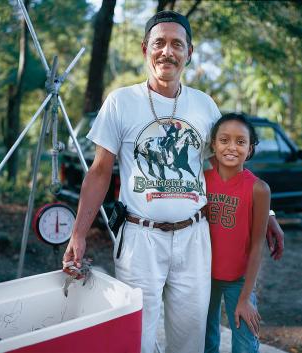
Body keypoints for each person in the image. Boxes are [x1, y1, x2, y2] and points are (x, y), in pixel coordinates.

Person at [63, 10, 284, 353]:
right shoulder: (121, 102)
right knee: (137, 337)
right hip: (140, 238)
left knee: (190, 341)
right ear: (144, 49)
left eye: (176, 44)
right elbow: (100, 171)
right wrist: (78, 232)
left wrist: (267, 214)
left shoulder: (204, 105)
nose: (168, 51)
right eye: (159, 43)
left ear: (189, 52)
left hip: (194, 238)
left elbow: (226, 168)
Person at [204, 113, 269, 353]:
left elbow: (256, 246)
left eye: (240, 142)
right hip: (203, 277)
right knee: (206, 340)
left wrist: (245, 298)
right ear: (213, 144)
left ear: (250, 148)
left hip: (239, 282)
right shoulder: (201, 180)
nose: (232, 147)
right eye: (224, 140)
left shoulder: (259, 189)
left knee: (244, 344)